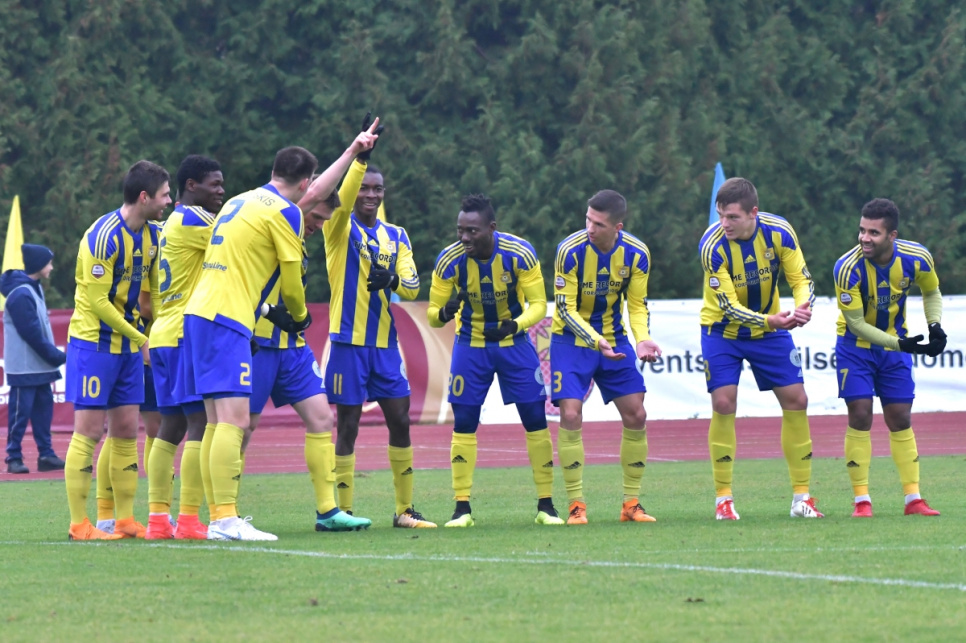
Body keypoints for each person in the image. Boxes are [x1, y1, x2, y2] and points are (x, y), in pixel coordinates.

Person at [183, 126, 378, 541]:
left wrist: (353, 152)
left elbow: (317, 191)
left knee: (223, 422)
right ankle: (222, 519)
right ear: (304, 185)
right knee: (233, 423)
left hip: (206, 314)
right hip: (234, 321)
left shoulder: (244, 200)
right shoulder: (284, 214)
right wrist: (300, 316)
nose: (317, 221)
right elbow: (291, 286)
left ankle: (223, 518)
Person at [324, 115, 435, 528]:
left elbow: (412, 285)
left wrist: (393, 281)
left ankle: (404, 510)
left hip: (385, 345)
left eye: (378, 189)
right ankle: (343, 511)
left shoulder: (397, 235)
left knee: (400, 420)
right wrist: (360, 159)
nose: (370, 194)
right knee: (348, 425)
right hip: (347, 342)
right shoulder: (338, 227)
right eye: (365, 188)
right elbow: (343, 194)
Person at [428, 194, 564, 527]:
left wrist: (515, 325)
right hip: (470, 345)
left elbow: (539, 305)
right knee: (464, 421)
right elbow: (433, 314)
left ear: (491, 228)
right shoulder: (449, 261)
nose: (464, 238)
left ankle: (546, 506)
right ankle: (462, 509)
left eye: (472, 231)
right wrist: (444, 313)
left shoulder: (519, 253)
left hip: (513, 342)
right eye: (460, 230)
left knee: (535, 417)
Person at [246, 183, 371, 533]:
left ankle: (327, 512)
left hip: (292, 345)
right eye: (317, 216)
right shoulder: (268, 227)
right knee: (242, 427)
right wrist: (268, 311)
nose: (319, 224)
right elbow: (237, 280)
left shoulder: (299, 238)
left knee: (322, 418)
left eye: (325, 219)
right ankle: (226, 513)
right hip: (257, 342)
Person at [698, 177, 820, 521]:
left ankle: (802, 499)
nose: (724, 224)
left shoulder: (779, 232)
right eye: (721, 215)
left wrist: (803, 306)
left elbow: (801, 279)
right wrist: (772, 321)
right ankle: (723, 500)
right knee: (724, 402)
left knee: (797, 399)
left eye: (732, 217)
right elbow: (728, 306)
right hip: (722, 330)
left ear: (754, 212)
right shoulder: (711, 246)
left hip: (770, 331)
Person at [63, 160, 167, 540]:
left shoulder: (154, 236)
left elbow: (155, 293)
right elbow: (99, 303)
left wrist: (158, 329)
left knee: (125, 430)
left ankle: (124, 520)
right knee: (89, 431)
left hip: (128, 347)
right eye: (164, 195)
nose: (169, 202)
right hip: (94, 344)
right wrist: (142, 339)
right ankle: (79, 524)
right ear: (144, 197)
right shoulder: (101, 236)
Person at [551, 189, 662, 525]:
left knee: (637, 413)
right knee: (571, 413)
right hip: (571, 340)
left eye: (598, 224)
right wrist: (595, 340)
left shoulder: (637, 253)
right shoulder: (569, 251)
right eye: (588, 219)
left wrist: (642, 339)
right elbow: (565, 310)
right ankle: (576, 505)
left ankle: (631, 504)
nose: (590, 228)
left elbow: (637, 305)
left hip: (614, 338)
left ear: (617, 227)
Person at [833, 198, 945, 518]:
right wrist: (900, 344)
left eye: (873, 233)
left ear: (892, 235)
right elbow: (857, 324)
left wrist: (935, 325)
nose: (864, 238)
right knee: (860, 413)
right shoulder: (847, 268)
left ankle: (914, 499)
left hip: (896, 346)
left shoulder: (916, 257)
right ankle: (862, 501)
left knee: (900, 417)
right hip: (855, 347)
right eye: (862, 230)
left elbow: (931, 291)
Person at [143, 155, 225, 540]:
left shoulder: (173, 221)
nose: (221, 191)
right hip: (183, 334)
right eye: (214, 184)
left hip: (164, 332)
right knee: (200, 423)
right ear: (192, 186)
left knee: (170, 427)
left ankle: (158, 520)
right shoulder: (194, 220)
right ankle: (190, 519)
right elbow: (239, 241)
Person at [1, 244, 67, 474]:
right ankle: (13, 457)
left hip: (39, 366)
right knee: (19, 416)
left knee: (43, 414)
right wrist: (55, 356)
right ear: (39, 265)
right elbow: (31, 333)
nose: (51, 267)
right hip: (24, 368)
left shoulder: (33, 288)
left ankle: (46, 455)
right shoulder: (21, 294)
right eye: (49, 263)